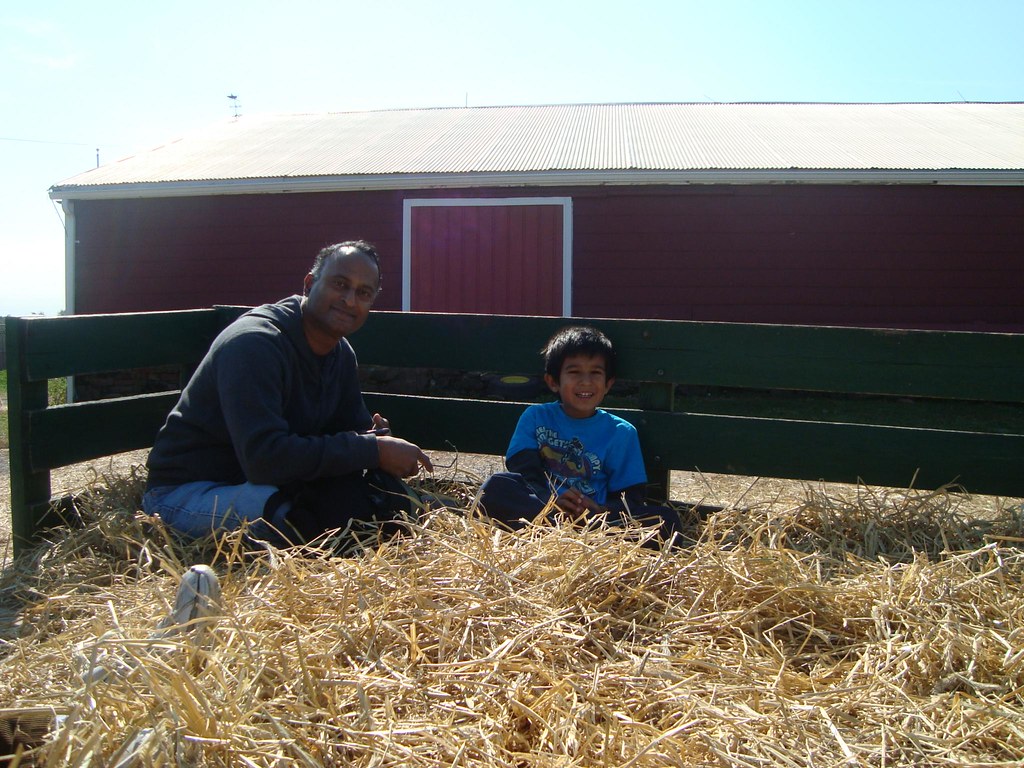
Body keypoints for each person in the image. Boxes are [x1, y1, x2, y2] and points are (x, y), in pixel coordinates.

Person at [143, 240, 433, 549]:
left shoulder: (340, 353)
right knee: (303, 518)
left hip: (269, 481)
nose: (350, 300)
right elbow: (264, 459)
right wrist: (372, 449)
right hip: (189, 491)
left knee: (378, 502)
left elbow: (352, 434)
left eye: (363, 292)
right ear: (310, 283)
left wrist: (376, 439)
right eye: (340, 284)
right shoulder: (255, 344)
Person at [478, 325, 681, 545]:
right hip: (543, 510)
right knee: (495, 487)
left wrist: (600, 512)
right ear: (553, 382)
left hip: (597, 522)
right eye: (574, 372)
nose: (586, 381)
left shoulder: (621, 432)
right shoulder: (536, 417)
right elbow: (524, 470)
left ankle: (582, 539)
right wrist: (550, 502)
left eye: (595, 373)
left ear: (608, 384)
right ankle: (554, 531)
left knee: (666, 521)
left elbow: (630, 497)